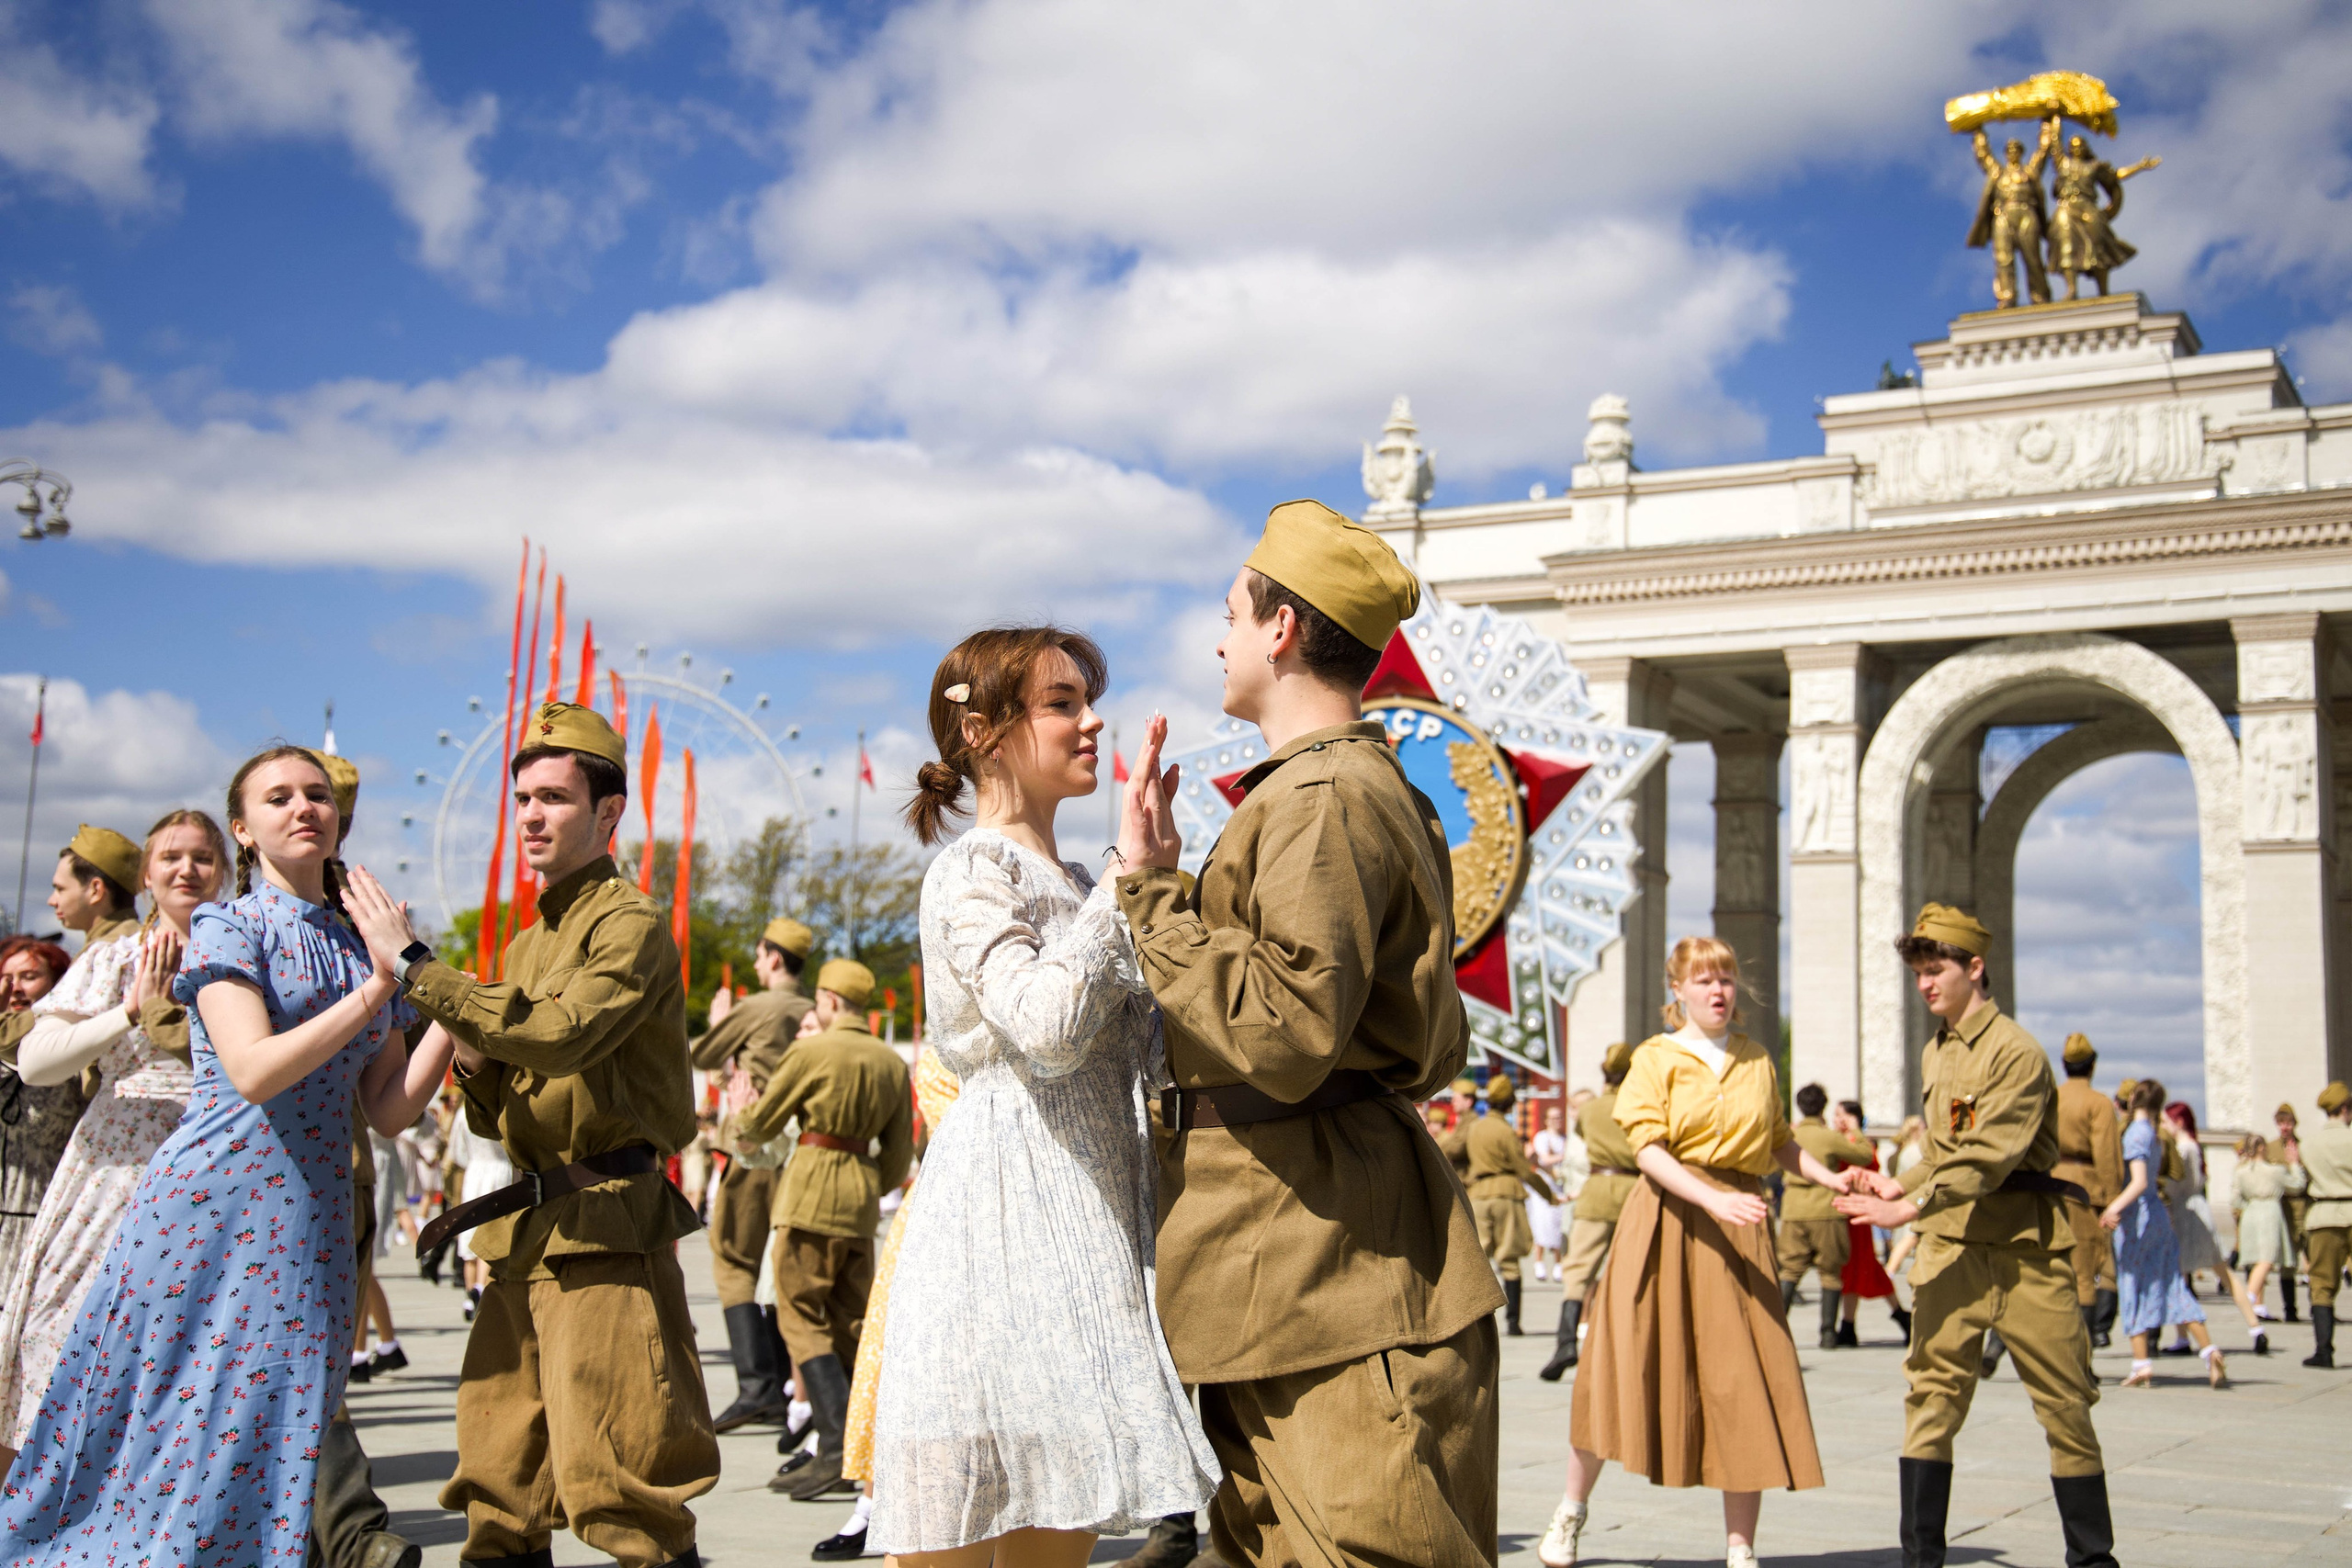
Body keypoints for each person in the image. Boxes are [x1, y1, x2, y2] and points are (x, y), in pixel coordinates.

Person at [1112, 499, 1499, 1568]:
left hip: (1327, 1266)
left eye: (1231, 615)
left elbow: (1283, 1031)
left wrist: (1153, 898)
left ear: (1280, 630)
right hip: (1289, 1261)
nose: (1220, 640)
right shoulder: (1335, 789)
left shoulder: (1322, 794)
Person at [0, 748, 452, 1562]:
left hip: (312, 1213)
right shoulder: (226, 925)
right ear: (243, 829)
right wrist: (383, 987)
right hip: (215, 1204)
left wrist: (451, 1008)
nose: (304, 807)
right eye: (278, 797)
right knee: (193, 1430)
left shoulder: (361, 945)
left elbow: (389, 1109)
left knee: (280, 1427)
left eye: (316, 794)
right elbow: (253, 1069)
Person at [858, 626, 1218, 1565]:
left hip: (1087, 1223)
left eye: (1087, 701)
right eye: (1062, 703)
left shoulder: (1079, 880)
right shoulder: (971, 869)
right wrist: (1126, 881)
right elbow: (1046, 1028)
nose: (1092, 721)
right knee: (953, 1529)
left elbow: (1155, 1057)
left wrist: (1164, 899)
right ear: (981, 731)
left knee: (1060, 1528)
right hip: (1000, 1221)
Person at [363, 701, 718, 1568]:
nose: (530, 815)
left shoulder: (628, 923)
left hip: (605, 1230)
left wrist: (417, 967)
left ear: (608, 812)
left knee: (626, 1486)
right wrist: (475, 1067)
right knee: (498, 1487)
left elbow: (560, 1037)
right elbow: (501, 1113)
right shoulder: (525, 945)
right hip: (527, 1234)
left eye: (554, 797)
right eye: (522, 797)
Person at [1836, 903, 2117, 1568]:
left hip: (2025, 1252)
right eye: (1918, 973)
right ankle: (1921, 1559)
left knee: (2065, 1407)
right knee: (1930, 1400)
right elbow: (1943, 1150)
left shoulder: (2016, 1051)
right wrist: (1896, 1185)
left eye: (1936, 970)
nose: (1925, 984)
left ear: (1976, 967)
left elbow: (1989, 1154)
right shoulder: (1937, 1051)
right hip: (1951, 1250)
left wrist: (1912, 1206)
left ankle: (2093, 1560)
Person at [1545, 938, 1835, 1568]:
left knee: (1746, 1378)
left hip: (1739, 1221)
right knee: (1619, 1365)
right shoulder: (1655, 1056)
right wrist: (1711, 1198)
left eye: (1725, 978)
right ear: (1676, 990)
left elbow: (1780, 1142)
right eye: (1703, 980)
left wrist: (1836, 1178)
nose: (1718, 990)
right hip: (1665, 1220)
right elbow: (1648, 1149)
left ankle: (1741, 1547)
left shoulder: (1757, 1058)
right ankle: (1570, 1511)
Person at [0, 819, 205, 1460]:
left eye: (203, 858)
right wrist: (130, 1010)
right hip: (118, 1162)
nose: (187, 869)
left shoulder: (244, 954)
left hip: (212, 1160)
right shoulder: (115, 957)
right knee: (67, 1331)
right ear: (145, 876)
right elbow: (37, 1062)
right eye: (170, 857)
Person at [725, 956, 913, 1503]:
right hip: (859, 1202)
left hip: (809, 1195)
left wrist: (741, 1116)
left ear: (829, 1001)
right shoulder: (890, 1062)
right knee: (853, 1324)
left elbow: (763, 1122)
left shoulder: (811, 1051)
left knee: (799, 1314)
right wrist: (866, 1186)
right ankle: (862, 1451)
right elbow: (897, 1155)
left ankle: (833, 1447)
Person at [824, 1043, 963, 1563]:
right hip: (942, 1210)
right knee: (904, 1363)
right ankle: (877, 1501)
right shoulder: (942, 1049)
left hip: (965, 1209)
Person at [694, 916, 817, 1433]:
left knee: (733, 1257)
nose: (755, 961)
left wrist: (720, 1020)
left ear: (773, 957)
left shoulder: (757, 1007)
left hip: (754, 1140)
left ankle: (757, 1386)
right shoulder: (812, 1010)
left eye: (760, 953)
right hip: (799, 1147)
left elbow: (703, 1054)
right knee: (777, 1261)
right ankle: (786, 1382)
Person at [2099, 1079, 2226, 1389]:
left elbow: (2139, 1182)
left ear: (2133, 1099)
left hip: (2138, 1219)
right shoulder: (2156, 1134)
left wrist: (2113, 1208)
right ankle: (2209, 1350)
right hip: (2158, 1214)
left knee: (2132, 1284)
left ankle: (2141, 1363)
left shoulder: (2135, 1133)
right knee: (2172, 1284)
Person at [1538, 1042, 1638, 1382]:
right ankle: (1625, 1344)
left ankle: (1566, 1342)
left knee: (1578, 1270)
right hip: (1634, 1191)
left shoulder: (1591, 1109)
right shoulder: (1639, 1104)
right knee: (1634, 1270)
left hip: (1595, 1191)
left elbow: (1582, 1133)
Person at [0, 935, 76, 1281]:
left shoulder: (71, 1050)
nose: (15, 988)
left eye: (29, 977)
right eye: (6, 978)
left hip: (44, 1227)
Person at [1777, 1080, 1874, 1350]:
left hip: (1793, 1209)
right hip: (1825, 1209)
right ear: (1823, 1106)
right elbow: (1864, 1155)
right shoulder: (1829, 1137)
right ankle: (1828, 1333)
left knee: (1790, 1269)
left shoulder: (1789, 1135)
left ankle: (1776, 1329)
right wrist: (1856, 1130)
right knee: (1830, 1272)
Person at [1467, 1072, 1556, 1336]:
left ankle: (1475, 1321)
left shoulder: (1475, 1128)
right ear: (1509, 1103)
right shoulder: (1506, 1131)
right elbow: (1524, 1169)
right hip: (1506, 1194)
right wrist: (1548, 1194)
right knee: (1510, 1260)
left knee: (1478, 1260)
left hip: (1478, 1195)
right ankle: (1513, 1322)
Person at [2052, 1033, 2125, 1348]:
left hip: (2049, 1186)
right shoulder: (2099, 1104)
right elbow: (2107, 1157)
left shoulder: (2051, 1097)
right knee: (2084, 1275)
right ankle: (2083, 1356)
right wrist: (2113, 1201)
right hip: (2084, 1191)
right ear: (2093, 1066)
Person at [1834, 1099, 1906, 1347]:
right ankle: (1850, 1324)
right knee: (1855, 1268)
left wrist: (1855, 1131)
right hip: (1845, 1211)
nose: (1836, 1120)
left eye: (1840, 1115)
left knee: (1859, 1265)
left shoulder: (1858, 1143)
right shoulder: (1842, 1141)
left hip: (1857, 1211)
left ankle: (1849, 1326)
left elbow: (1869, 1162)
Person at [1968, 118, 2055, 308]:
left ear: (2021, 152)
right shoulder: (1998, 173)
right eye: (2009, 150)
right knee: (2003, 258)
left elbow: (2043, 151)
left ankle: (2039, 296)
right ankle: (2007, 296)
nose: (2013, 152)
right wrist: (1977, 131)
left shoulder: (2029, 172)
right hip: (2003, 214)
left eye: (2016, 149)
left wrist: (2048, 126)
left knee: (2032, 257)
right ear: (2006, 153)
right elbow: (1984, 155)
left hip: (2026, 213)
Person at [2299, 1080, 2352, 1370]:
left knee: (2321, 1283)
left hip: (2323, 1214)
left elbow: (2300, 1182)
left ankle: (2323, 1351)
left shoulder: (2309, 1144)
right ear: (2346, 1108)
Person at [2230, 1132, 2302, 1332]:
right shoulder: (2274, 1170)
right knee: (2266, 1259)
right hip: (2269, 1211)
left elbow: (2235, 1199)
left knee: (2256, 1260)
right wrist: (2294, 1164)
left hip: (2250, 1212)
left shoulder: (2241, 1172)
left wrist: (2248, 1205)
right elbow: (2296, 1185)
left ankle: (2258, 1304)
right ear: (2262, 1148)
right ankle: (2250, 1297)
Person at [2268, 1103, 2309, 1322]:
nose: (2285, 1127)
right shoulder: (2270, 1149)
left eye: (2288, 1123)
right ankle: (2290, 1309)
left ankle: (2319, 1308)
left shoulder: (2304, 1147)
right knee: (2287, 1262)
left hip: (2305, 1207)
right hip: (2283, 1209)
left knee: (2315, 1261)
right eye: (2281, 1123)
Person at [1529, 1104, 1572, 1283]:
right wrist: (1565, 1156)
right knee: (1541, 1224)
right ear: (1546, 1120)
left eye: (1559, 1117)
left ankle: (1558, 1264)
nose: (1556, 1121)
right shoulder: (1542, 1137)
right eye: (1553, 1118)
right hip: (1544, 1187)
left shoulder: (1565, 1139)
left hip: (1560, 1187)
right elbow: (1545, 1159)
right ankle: (1539, 1262)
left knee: (1558, 1226)